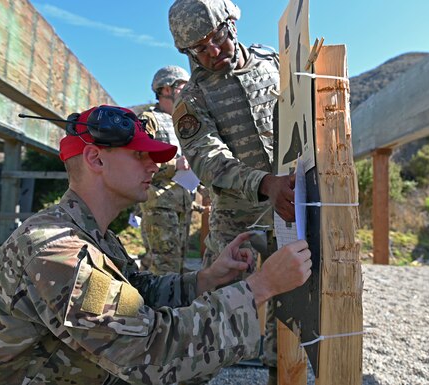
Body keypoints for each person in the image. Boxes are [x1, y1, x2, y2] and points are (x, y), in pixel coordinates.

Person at [0, 105, 312, 385]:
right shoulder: (55, 250)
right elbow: (149, 352)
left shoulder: (91, 234)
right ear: (96, 159)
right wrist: (260, 288)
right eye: (139, 155)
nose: (154, 167)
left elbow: (138, 292)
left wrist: (206, 279)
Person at [168, 0, 295, 383]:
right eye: (198, 49)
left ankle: (279, 372)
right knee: (217, 307)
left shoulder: (274, 63)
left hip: (288, 206)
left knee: (288, 303)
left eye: (216, 39)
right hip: (234, 220)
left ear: (231, 26)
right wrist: (263, 183)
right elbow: (208, 160)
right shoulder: (191, 99)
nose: (211, 53)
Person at [138, 66, 193, 274]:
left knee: (178, 265)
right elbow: (140, 160)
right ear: (166, 89)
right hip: (160, 205)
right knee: (163, 266)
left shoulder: (184, 121)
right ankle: (157, 307)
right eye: (183, 86)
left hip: (184, 204)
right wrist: (174, 165)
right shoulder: (149, 119)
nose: (188, 90)